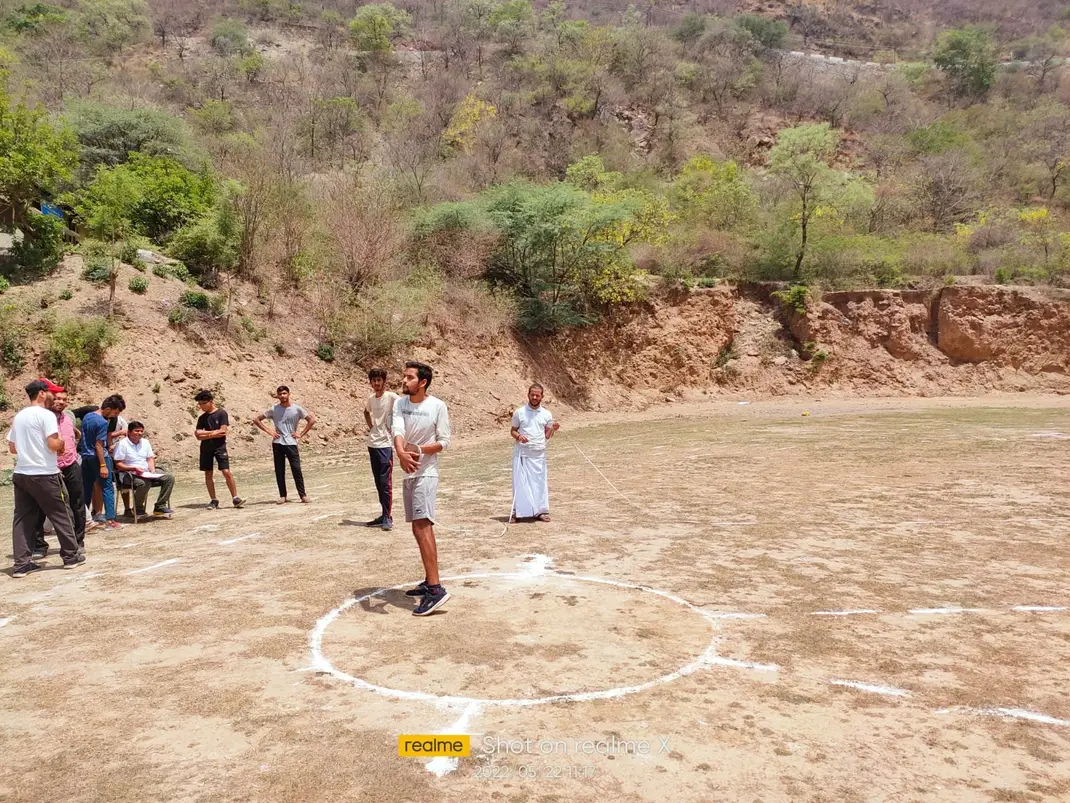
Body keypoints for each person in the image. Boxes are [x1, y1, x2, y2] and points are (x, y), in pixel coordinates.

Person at [393, 361, 452, 616]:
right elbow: (397, 430)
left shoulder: (437, 406)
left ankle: (436, 589)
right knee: (417, 527)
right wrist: (401, 454)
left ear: (423, 382)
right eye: (404, 377)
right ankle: (429, 581)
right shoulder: (400, 403)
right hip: (408, 472)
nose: (404, 381)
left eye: (409, 378)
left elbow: (444, 442)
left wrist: (417, 450)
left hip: (427, 473)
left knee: (423, 525)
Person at [7, 380, 84, 576]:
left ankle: (21, 564)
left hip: (22, 473)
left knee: (22, 520)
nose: (53, 396)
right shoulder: (46, 415)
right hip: (45, 473)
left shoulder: (20, 415)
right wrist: (63, 443)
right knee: (61, 514)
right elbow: (53, 444)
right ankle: (70, 556)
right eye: (51, 392)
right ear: (41, 394)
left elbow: (13, 448)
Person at [30, 381, 88, 559]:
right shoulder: (41, 417)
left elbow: (73, 435)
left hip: (70, 465)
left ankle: (77, 542)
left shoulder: (68, 417)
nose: (61, 402)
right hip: (48, 468)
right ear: (48, 398)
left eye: (64, 399)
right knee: (40, 507)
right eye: (57, 398)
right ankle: (39, 545)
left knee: (77, 504)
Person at [254, 386, 316, 504]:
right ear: (277, 396)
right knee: (279, 470)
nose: (282, 396)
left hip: (291, 443)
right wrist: (269, 431)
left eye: (284, 393)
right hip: (278, 443)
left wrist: (301, 434)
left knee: (296, 469)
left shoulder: (297, 409)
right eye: (280, 394)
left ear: (288, 394)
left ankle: (302, 495)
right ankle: (283, 495)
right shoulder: (274, 409)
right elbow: (256, 419)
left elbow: (311, 420)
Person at [509, 383, 560, 523]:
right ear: (528, 395)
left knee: (539, 483)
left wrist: (553, 428)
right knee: (520, 482)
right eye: (532, 395)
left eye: (538, 395)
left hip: (538, 454)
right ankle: (517, 512)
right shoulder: (519, 413)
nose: (535, 397)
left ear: (542, 397)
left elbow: (547, 435)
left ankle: (540, 511)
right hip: (522, 453)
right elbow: (513, 430)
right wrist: (519, 437)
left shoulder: (546, 414)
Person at [78, 395, 125, 532]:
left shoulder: (87, 416)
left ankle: (83, 520)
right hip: (99, 459)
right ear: (108, 409)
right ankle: (110, 520)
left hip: (86, 457)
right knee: (107, 488)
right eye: (115, 413)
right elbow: (99, 445)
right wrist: (103, 465)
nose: (114, 416)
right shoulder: (102, 422)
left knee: (86, 489)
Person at [113, 421, 175, 519]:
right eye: (136, 431)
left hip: (145, 472)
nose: (139, 433)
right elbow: (118, 464)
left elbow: (150, 458)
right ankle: (137, 508)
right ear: (129, 432)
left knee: (169, 478)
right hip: (128, 473)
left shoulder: (145, 442)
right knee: (144, 483)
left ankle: (160, 506)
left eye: (141, 431)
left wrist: (152, 471)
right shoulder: (122, 444)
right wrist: (133, 468)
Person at [194, 389, 244, 509]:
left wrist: (206, 433)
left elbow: (223, 431)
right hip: (206, 448)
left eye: (203, 403)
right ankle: (213, 499)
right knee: (208, 473)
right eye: (199, 404)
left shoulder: (222, 413)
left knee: (226, 472)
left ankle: (235, 498)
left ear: (210, 401)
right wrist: (212, 434)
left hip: (219, 447)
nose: (201, 406)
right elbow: (197, 435)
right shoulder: (202, 418)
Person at [363, 368, 398, 530]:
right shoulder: (371, 398)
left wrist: (396, 428)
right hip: (373, 444)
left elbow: (404, 408)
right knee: (378, 482)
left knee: (386, 483)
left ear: (384, 381)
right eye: (373, 381)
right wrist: (371, 427)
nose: (376, 384)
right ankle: (383, 514)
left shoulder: (391, 397)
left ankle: (388, 517)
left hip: (386, 445)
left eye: (379, 380)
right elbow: (366, 412)